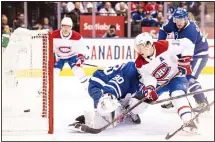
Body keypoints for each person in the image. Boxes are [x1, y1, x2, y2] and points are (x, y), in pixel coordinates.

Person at [134, 32, 198, 133]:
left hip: (176, 76)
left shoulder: (164, 45)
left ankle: (188, 121)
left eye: (141, 47)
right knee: (140, 101)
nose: (139, 51)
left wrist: (185, 59)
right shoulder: (139, 63)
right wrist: (150, 88)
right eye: (137, 48)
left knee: (177, 95)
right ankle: (133, 113)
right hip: (160, 82)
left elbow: (188, 43)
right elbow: (148, 78)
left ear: (148, 44)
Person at [68, 61, 151, 132]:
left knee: (123, 103)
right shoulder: (131, 73)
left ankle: (126, 113)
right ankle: (87, 120)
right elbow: (112, 88)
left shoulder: (138, 73)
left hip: (109, 84)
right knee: (107, 113)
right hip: (99, 85)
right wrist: (108, 106)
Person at [158, 8, 209, 112]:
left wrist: (180, 63)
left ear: (186, 19)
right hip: (184, 52)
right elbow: (163, 29)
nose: (178, 22)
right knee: (175, 74)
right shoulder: (173, 21)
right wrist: (160, 44)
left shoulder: (190, 32)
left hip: (198, 54)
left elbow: (186, 55)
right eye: (176, 19)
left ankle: (202, 102)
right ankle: (176, 98)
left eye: (181, 20)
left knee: (189, 78)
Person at [53, 17, 88, 85]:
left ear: (71, 27)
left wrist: (81, 58)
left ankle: (88, 88)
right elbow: (49, 47)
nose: (66, 29)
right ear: (61, 26)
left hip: (72, 56)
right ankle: (44, 90)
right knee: (54, 73)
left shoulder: (77, 37)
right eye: (64, 26)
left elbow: (83, 49)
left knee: (79, 71)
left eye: (68, 27)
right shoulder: (53, 35)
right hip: (59, 57)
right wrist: (52, 55)